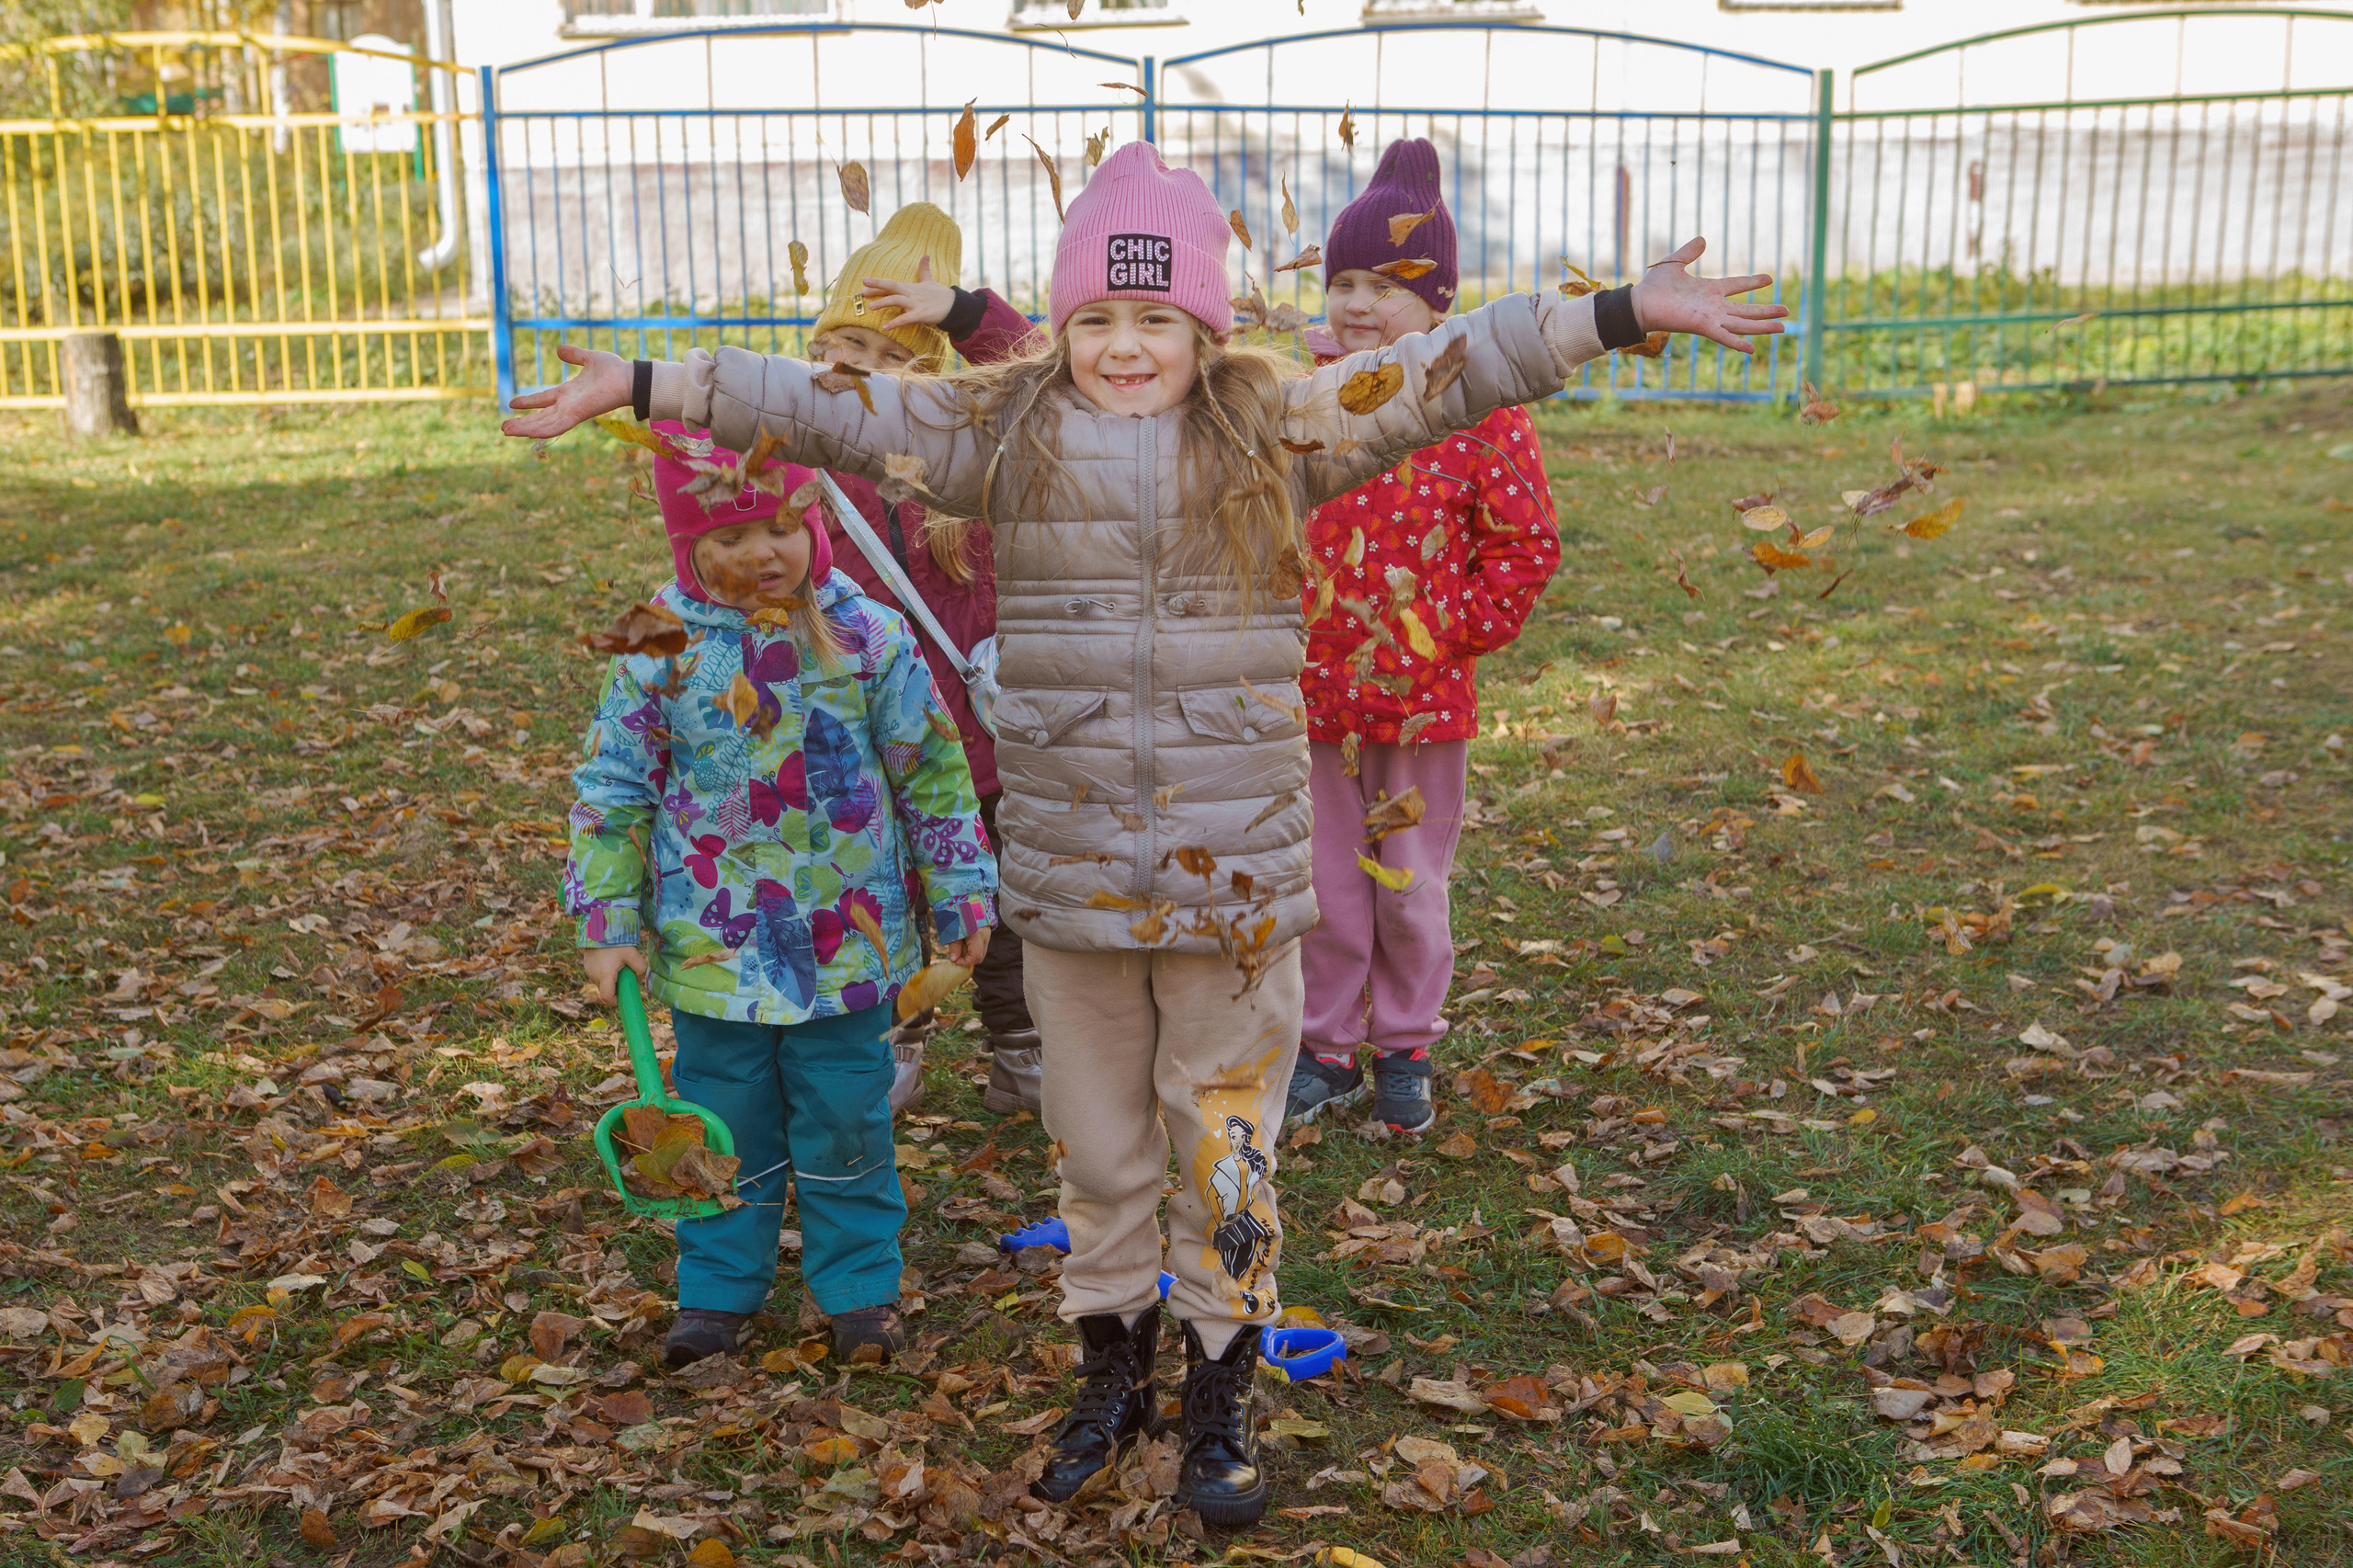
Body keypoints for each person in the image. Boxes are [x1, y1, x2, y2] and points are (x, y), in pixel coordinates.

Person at [506, 138, 1783, 1526]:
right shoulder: (1000, 435)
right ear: (1062, 324)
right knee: (1101, 1150)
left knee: (1222, 1139)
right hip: (1070, 888)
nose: (1126, 347)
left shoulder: (1282, 431)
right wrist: (645, 383)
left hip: (1235, 897)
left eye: (1156, 317)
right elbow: (827, 404)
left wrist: (1617, 312)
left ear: (1205, 325)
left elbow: (1448, 369)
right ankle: (1108, 1363)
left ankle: (1222, 1376)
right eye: (1098, 318)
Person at [565, 437, 995, 1372]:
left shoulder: (867, 635)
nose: (760, 553)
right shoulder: (658, 645)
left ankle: (857, 1289)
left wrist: (961, 890)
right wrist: (607, 921)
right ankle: (717, 1289)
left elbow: (931, 771)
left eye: (778, 527)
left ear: (814, 522)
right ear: (685, 546)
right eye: (728, 536)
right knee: (724, 1123)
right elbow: (614, 784)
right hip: (712, 947)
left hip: (847, 944)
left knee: (847, 1117)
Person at [662, 199, 1047, 1115]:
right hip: (855, 744)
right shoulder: (803, 467)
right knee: (877, 892)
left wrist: (960, 309)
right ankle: (890, 1038)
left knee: (995, 898)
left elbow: (1041, 380)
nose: (864, 375)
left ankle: (1020, 1045)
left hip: (974, 745)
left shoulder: (969, 466)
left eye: (894, 357)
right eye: (846, 350)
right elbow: (721, 505)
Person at [1285, 137, 1562, 1134]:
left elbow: (1523, 539)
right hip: (1309, 693)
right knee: (1322, 881)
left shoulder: (1476, 408)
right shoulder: (1299, 401)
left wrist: (1447, 632)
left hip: (1419, 701)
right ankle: (1326, 1047)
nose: (1360, 304)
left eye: (1389, 285)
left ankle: (1404, 1042)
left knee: (1405, 884)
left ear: (1438, 301)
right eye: (1346, 280)